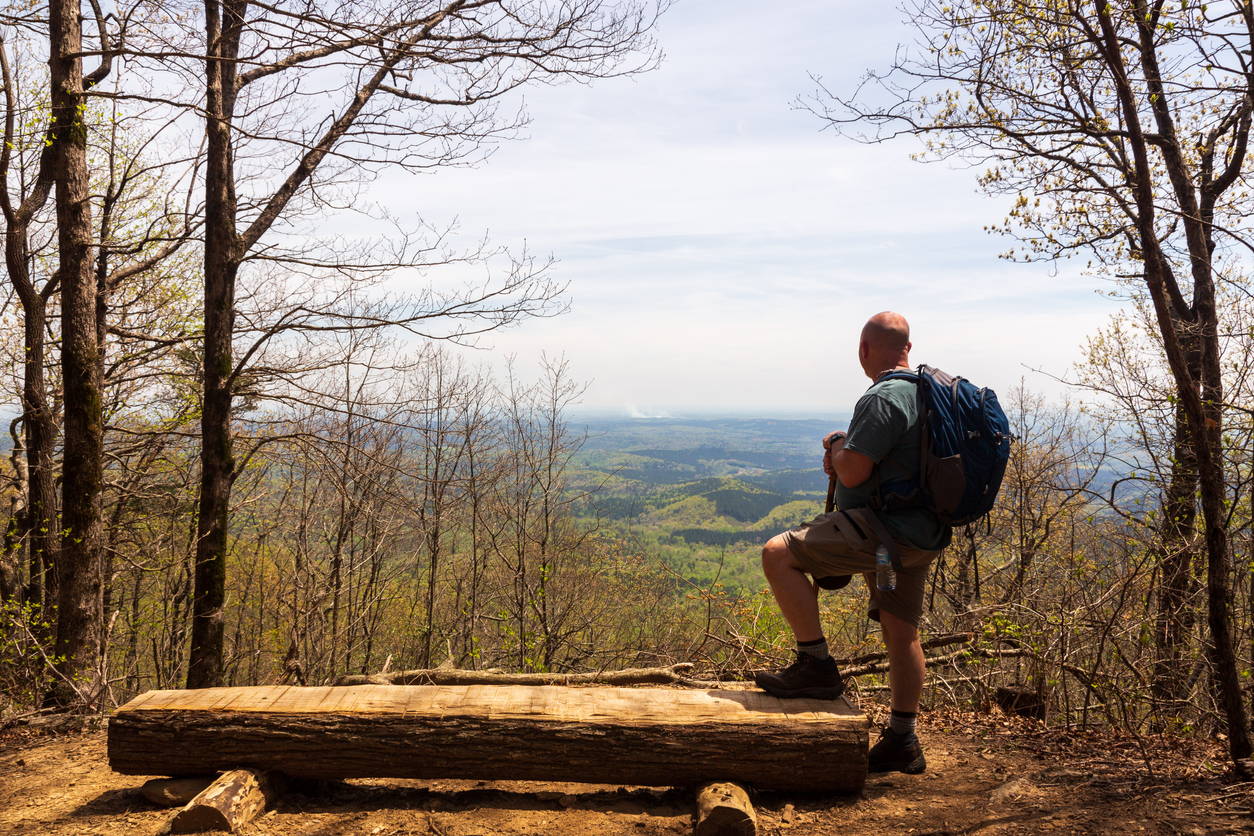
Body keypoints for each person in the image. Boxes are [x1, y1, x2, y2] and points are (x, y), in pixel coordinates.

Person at [754, 311, 951, 775]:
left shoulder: (886, 397)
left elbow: (854, 470)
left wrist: (839, 444)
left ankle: (816, 666)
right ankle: (903, 738)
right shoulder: (930, 395)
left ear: (864, 350)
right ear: (907, 346)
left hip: (882, 537)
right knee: (902, 633)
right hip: (918, 538)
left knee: (778, 554)